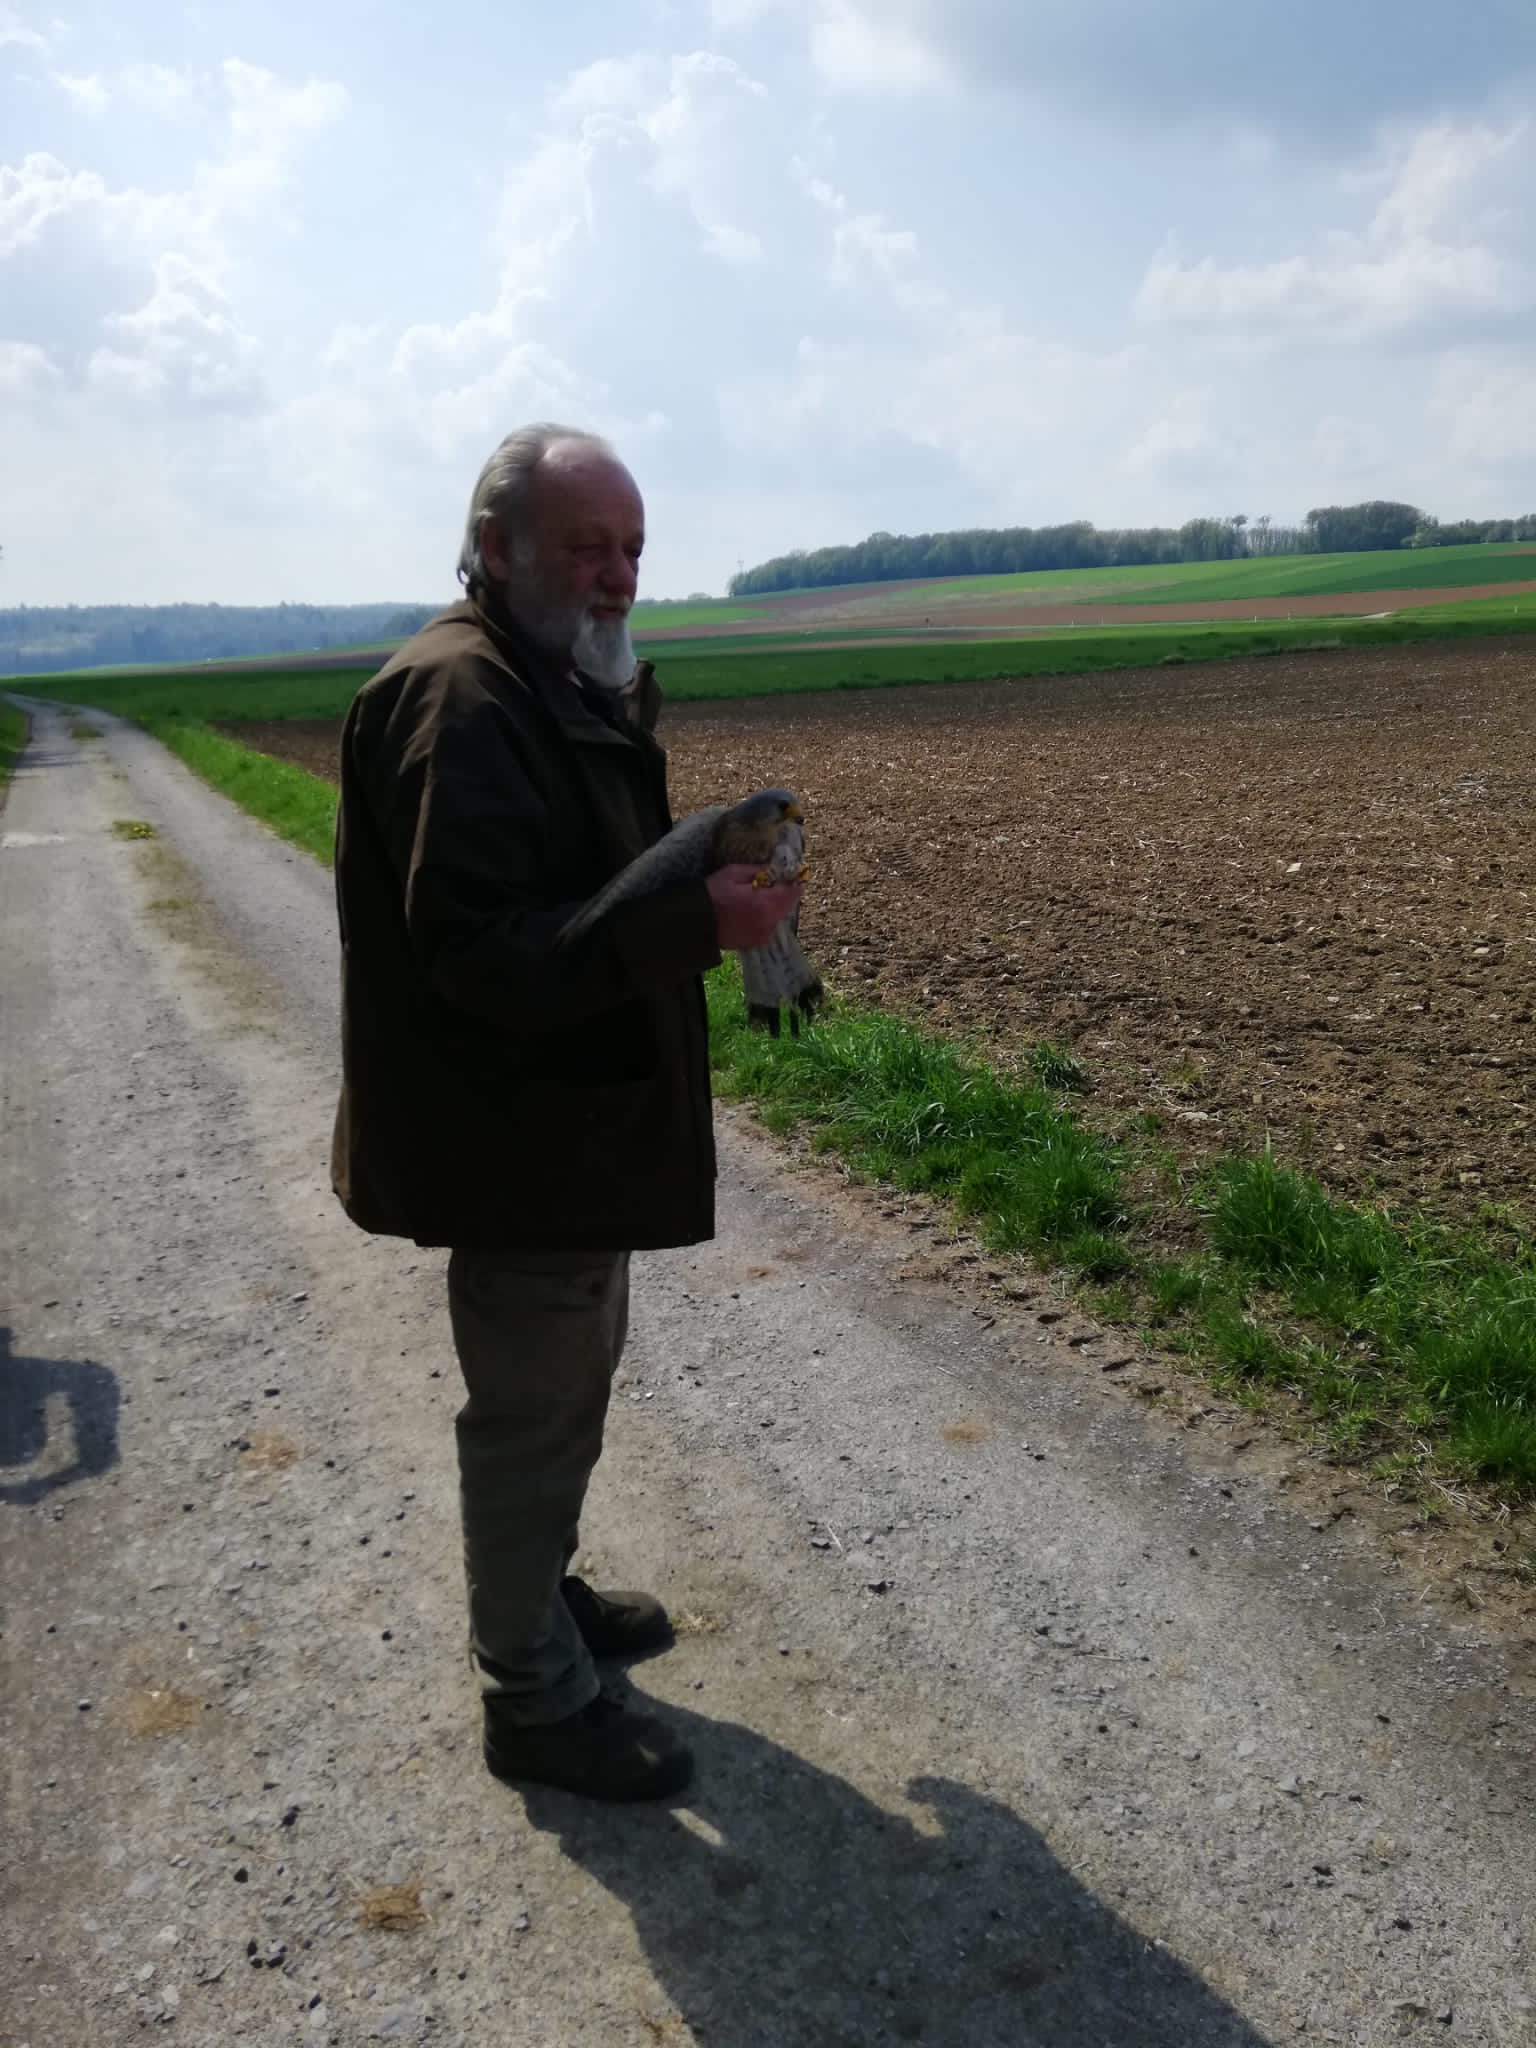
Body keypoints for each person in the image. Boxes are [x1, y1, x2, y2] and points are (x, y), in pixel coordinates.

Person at [330, 424, 802, 1801]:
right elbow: (482, 956)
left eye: (632, 548)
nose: (618, 575)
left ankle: (542, 1598)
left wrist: (697, 881)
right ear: (497, 548)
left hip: (565, 1131)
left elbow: (574, 889)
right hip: (515, 1142)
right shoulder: (462, 701)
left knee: (572, 1391)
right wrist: (694, 925)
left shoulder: (544, 675)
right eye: (587, 546)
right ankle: (530, 1698)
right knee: (532, 1418)